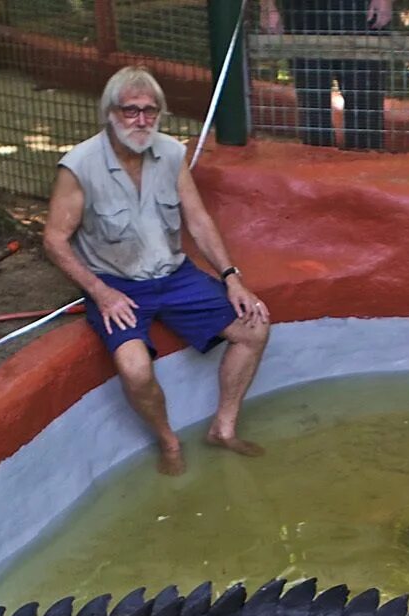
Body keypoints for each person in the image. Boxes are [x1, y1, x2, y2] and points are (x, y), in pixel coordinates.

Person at [44, 68, 270, 475]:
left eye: (150, 111)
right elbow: (54, 240)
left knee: (254, 327)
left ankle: (223, 426)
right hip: (115, 282)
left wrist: (231, 276)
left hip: (174, 274)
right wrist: (101, 292)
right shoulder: (79, 166)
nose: (142, 120)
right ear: (110, 113)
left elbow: (198, 220)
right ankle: (168, 441)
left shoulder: (170, 153)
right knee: (134, 367)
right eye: (131, 111)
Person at [259, 0, 392, 151]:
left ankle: (365, 165)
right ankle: (317, 167)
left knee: (365, 104)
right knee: (312, 106)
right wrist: (267, 7)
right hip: (304, 14)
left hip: (361, 11)